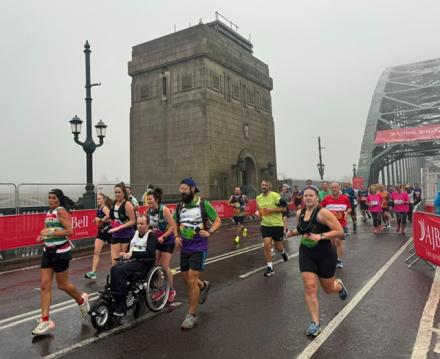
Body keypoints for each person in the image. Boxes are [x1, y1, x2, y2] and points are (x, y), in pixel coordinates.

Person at [286, 185, 348, 337]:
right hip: (307, 253)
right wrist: (291, 233)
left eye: (311, 195)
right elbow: (302, 229)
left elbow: (340, 232)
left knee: (328, 289)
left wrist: (320, 236)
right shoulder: (300, 213)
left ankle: (338, 286)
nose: (307, 198)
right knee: (310, 286)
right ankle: (315, 323)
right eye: (305, 195)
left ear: (317, 198)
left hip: (325, 254)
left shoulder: (323, 213)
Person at [32, 189, 89, 335]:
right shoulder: (49, 212)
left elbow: (70, 231)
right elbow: (50, 229)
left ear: (59, 199)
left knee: (62, 285)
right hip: (48, 251)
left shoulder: (61, 211)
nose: (50, 200)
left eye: (53, 198)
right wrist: (43, 236)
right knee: (44, 286)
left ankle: (81, 300)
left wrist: (50, 233)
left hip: (61, 253)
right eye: (49, 197)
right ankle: (46, 320)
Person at [174, 178, 221, 330]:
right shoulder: (180, 206)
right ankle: (204, 285)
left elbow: (217, 220)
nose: (182, 192)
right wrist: (176, 236)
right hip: (185, 247)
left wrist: (209, 232)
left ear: (193, 189)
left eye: (184, 189)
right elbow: (175, 222)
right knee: (187, 279)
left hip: (199, 247)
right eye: (180, 189)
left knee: (192, 280)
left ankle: (192, 315)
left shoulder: (203, 204)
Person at [110, 215, 157, 316]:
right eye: (138, 224)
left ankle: (121, 305)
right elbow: (132, 248)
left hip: (144, 263)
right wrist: (125, 253)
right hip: (133, 261)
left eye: (142, 224)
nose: (139, 226)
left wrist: (132, 254)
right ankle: (116, 298)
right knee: (113, 268)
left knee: (120, 271)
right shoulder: (135, 233)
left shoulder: (151, 235)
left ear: (148, 225)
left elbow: (150, 253)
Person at [146, 187, 179, 303]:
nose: (148, 201)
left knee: (164, 266)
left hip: (167, 240)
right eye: (147, 199)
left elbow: (173, 226)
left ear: (156, 199)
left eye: (150, 199)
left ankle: (171, 290)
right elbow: (149, 227)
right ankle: (159, 289)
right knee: (155, 265)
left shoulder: (164, 210)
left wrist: (164, 237)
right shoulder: (148, 211)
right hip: (157, 240)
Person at [256, 180, 289, 277]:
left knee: (278, 246)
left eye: (266, 185)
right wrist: (259, 215)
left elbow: (284, 208)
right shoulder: (258, 197)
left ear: (269, 187)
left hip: (277, 224)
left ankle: (283, 252)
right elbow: (260, 210)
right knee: (267, 245)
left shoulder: (275, 196)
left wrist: (271, 210)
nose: (264, 186)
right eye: (262, 185)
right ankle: (270, 268)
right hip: (265, 225)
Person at [320, 182, 351, 268]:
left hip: (341, 224)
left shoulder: (345, 198)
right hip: (329, 224)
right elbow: (320, 208)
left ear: (339, 188)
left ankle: (339, 260)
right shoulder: (327, 199)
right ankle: (334, 256)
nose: (334, 189)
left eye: (336, 187)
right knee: (332, 243)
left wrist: (347, 212)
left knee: (338, 242)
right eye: (332, 187)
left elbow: (349, 208)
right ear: (330, 188)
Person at [85, 193, 113, 279]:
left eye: (100, 199)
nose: (98, 200)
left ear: (104, 200)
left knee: (114, 253)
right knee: (96, 251)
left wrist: (101, 220)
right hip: (101, 232)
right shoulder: (99, 208)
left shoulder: (105, 208)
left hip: (108, 232)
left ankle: (115, 271)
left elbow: (111, 218)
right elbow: (100, 220)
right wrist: (95, 221)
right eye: (97, 199)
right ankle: (93, 272)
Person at [108, 183, 137, 265]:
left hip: (126, 235)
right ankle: (114, 277)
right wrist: (106, 219)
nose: (117, 194)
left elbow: (133, 221)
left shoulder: (127, 204)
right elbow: (113, 218)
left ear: (124, 193)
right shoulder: (114, 203)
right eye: (115, 192)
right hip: (115, 235)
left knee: (123, 263)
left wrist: (119, 228)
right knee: (114, 263)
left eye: (119, 192)